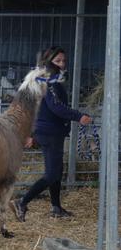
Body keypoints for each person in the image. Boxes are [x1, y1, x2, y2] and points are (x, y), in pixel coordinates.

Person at [12, 46, 92, 221]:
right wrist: (79, 116)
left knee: (56, 170)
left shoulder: (45, 78)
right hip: (50, 132)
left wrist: (33, 133)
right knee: (52, 174)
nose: (62, 64)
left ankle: (56, 207)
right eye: (58, 61)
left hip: (47, 130)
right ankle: (22, 202)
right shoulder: (50, 79)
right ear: (49, 61)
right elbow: (56, 106)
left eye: (64, 60)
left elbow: (41, 108)